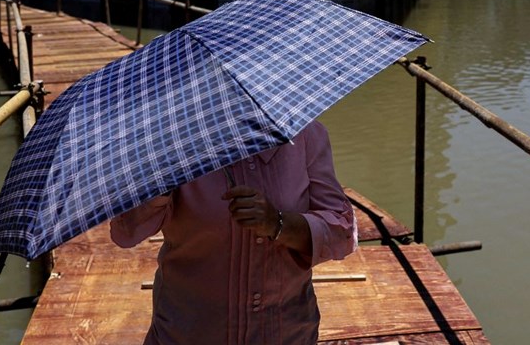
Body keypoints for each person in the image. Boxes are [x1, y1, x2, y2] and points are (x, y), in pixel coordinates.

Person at [110, 120, 357, 345]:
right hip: (188, 334)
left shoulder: (304, 135)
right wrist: (163, 176)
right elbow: (125, 232)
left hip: (287, 334)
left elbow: (342, 231)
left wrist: (278, 224)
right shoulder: (169, 139)